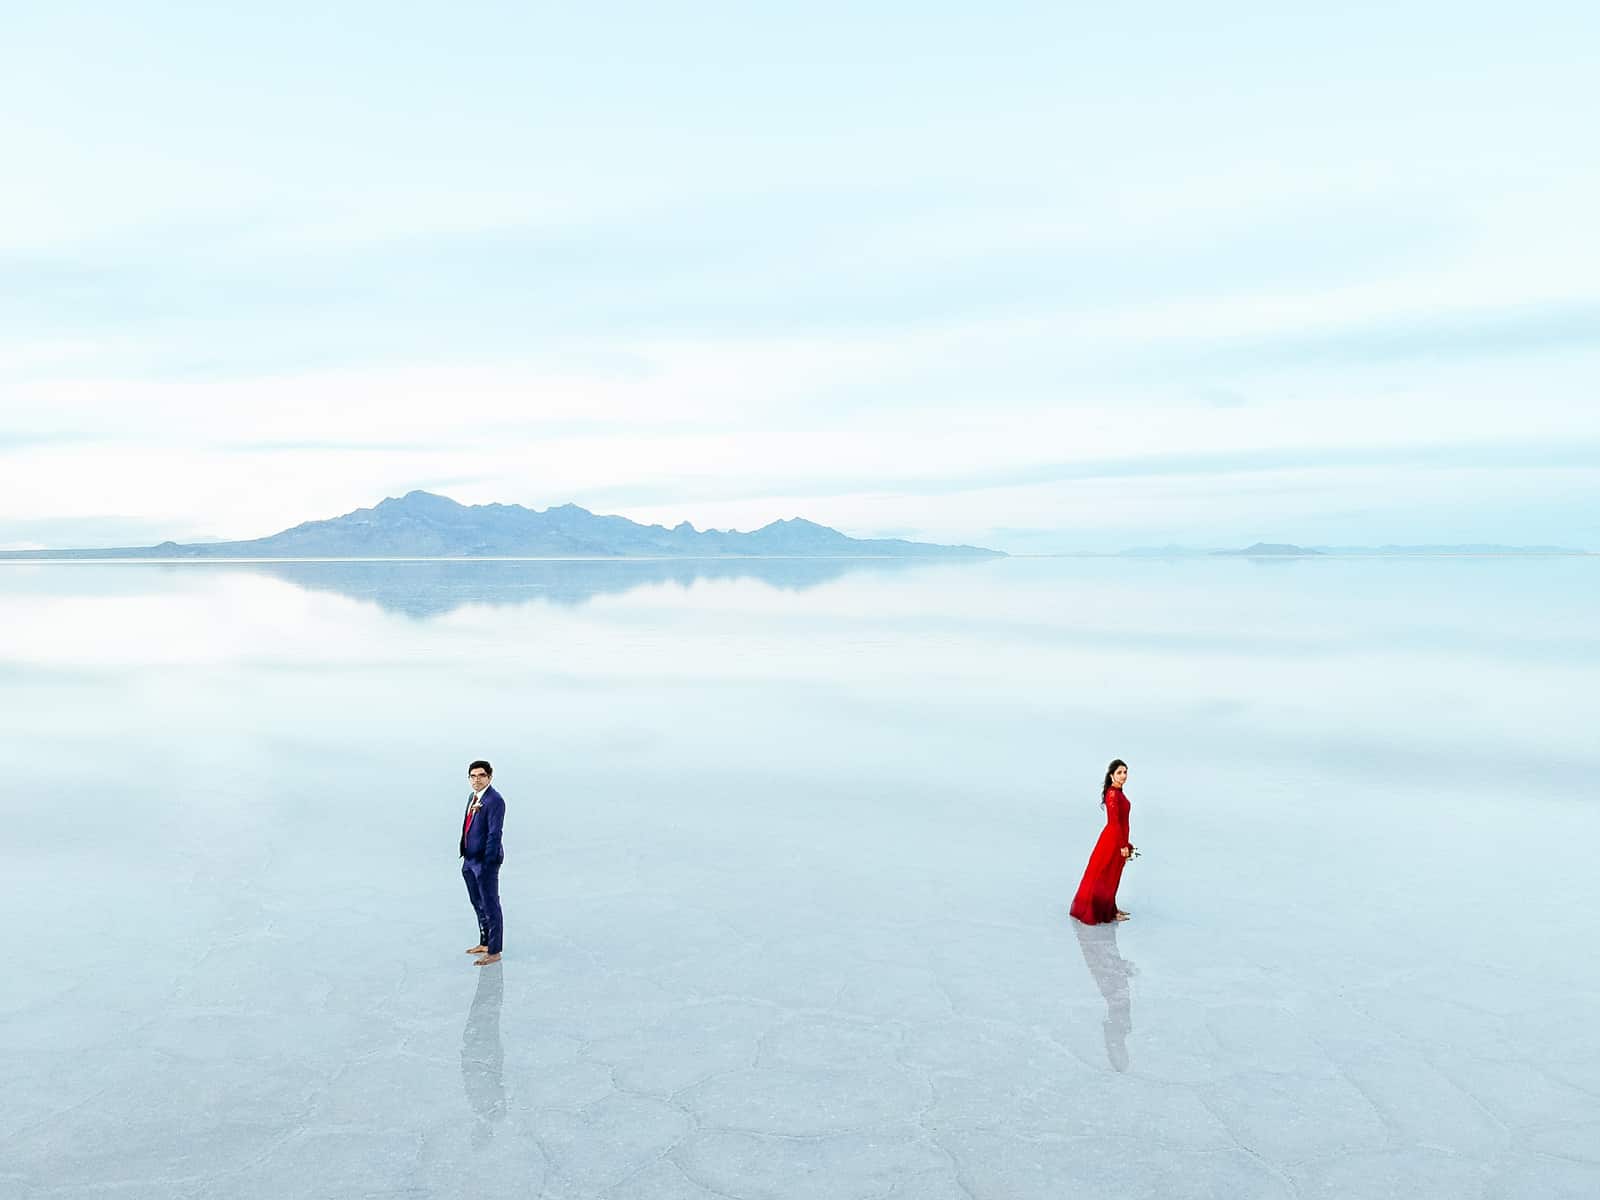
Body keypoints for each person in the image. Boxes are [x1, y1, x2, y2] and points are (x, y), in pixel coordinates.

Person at [1070, 759, 1136, 925]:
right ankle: (1102, 911)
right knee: (1105, 875)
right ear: (1112, 775)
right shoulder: (1113, 794)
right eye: (1120, 772)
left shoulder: (1119, 792)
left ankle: (1110, 909)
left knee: (1113, 875)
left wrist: (1126, 843)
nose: (1123, 776)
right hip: (1113, 839)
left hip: (1119, 838)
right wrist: (1122, 845)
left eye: (1125, 772)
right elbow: (1114, 822)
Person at [459, 759, 506, 965]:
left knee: (490, 904)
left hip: (485, 862)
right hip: (469, 860)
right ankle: (485, 942)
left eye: (481, 775)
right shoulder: (473, 797)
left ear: (489, 777)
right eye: (473, 776)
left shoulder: (495, 800)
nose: (477, 780)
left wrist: (487, 861)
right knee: (477, 903)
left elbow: (495, 834)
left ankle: (494, 951)